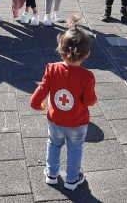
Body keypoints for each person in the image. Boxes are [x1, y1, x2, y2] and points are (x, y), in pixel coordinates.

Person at [30, 15, 97, 191]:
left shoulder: (52, 69)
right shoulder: (87, 77)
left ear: (61, 49)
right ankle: (72, 179)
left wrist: (36, 104)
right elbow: (89, 100)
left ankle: (52, 174)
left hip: (55, 120)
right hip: (78, 122)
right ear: (87, 54)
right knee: (75, 149)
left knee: (53, 144)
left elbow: (41, 90)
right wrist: (94, 99)